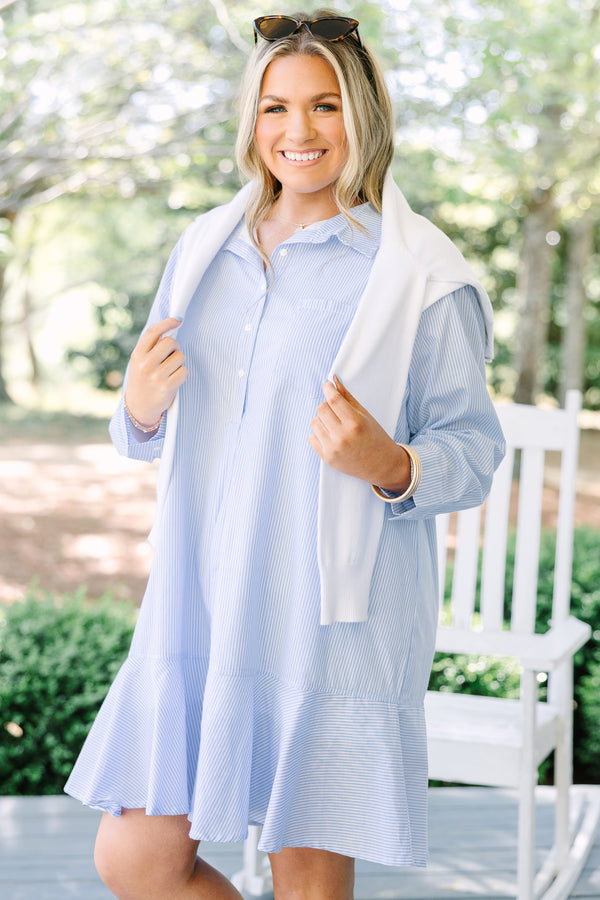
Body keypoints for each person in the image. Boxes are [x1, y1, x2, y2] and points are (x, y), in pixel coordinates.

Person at [65, 11, 505, 900]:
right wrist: (138, 408)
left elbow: (474, 449)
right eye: (276, 107)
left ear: (365, 116)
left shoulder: (419, 275)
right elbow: (143, 429)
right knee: (138, 857)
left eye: (325, 106)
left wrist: (390, 462)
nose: (297, 132)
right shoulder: (204, 251)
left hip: (329, 613)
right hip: (203, 596)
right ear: (252, 121)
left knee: (303, 870)